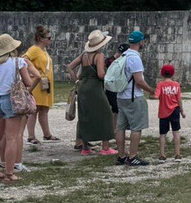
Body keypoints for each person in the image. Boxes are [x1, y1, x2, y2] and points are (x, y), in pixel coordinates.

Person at [0, 33, 37, 183]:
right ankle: (9, 173)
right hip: (11, 100)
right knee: (12, 137)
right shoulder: (18, 62)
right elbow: (27, 82)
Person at [67, 30, 117, 156]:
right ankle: (105, 147)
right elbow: (100, 74)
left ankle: (85, 147)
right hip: (95, 87)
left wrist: (76, 80)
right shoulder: (99, 56)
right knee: (105, 113)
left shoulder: (84, 55)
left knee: (85, 116)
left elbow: (69, 67)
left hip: (83, 87)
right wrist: (109, 74)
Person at [114, 29, 153, 166]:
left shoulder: (123, 55)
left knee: (120, 127)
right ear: (140, 42)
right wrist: (151, 90)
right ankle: (133, 155)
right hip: (133, 96)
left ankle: (121, 155)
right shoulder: (135, 58)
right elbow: (139, 80)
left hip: (121, 95)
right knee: (137, 127)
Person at [24, 25, 58, 145]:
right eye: (48, 38)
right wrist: (32, 72)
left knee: (44, 108)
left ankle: (46, 133)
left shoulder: (43, 51)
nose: (50, 40)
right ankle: (31, 135)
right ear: (41, 38)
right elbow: (24, 59)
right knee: (35, 109)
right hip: (38, 83)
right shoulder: (34, 50)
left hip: (45, 83)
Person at [154, 64, 184, 161]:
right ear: (172, 74)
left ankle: (162, 154)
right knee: (176, 132)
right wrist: (182, 110)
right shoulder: (176, 84)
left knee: (162, 134)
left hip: (163, 111)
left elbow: (156, 96)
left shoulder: (160, 84)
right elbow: (179, 99)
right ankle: (177, 154)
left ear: (162, 73)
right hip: (175, 110)